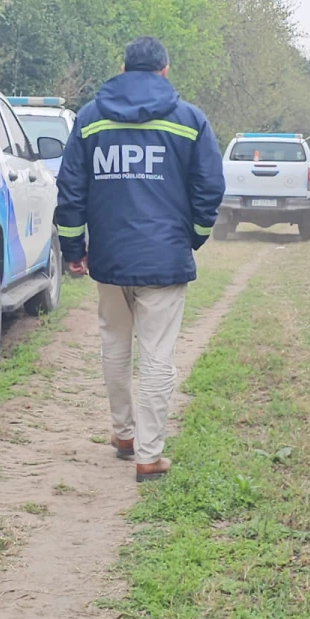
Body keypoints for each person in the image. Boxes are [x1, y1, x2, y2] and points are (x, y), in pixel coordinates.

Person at [54, 36, 226, 482]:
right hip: (164, 261)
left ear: (125, 69)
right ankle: (149, 456)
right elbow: (209, 188)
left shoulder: (90, 120)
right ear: (165, 70)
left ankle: (123, 435)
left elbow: (71, 190)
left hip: (109, 258)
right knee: (157, 355)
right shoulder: (190, 121)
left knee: (115, 345)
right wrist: (193, 237)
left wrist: (75, 248)